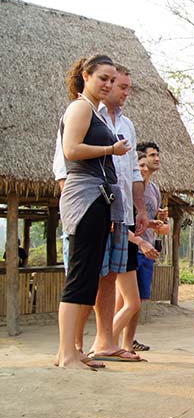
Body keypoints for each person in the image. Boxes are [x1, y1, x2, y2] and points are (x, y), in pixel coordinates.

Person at [54, 63, 148, 363]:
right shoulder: (80, 109)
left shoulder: (97, 114)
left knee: (92, 275)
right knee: (81, 275)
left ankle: (72, 351)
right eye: (103, 79)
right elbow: (69, 152)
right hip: (85, 197)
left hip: (103, 201)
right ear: (86, 77)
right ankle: (69, 352)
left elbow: (130, 169)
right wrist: (110, 150)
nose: (108, 85)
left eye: (112, 80)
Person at [119, 145, 168, 353]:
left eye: (158, 155)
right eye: (151, 156)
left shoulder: (154, 190)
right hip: (130, 247)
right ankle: (109, 341)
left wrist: (157, 220)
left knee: (137, 301)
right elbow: (122, 223)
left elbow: (153, 223)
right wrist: (138, 241)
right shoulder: (127, 187)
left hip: (147, 248)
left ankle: (127, 343)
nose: (155, 160)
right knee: (123, 300)